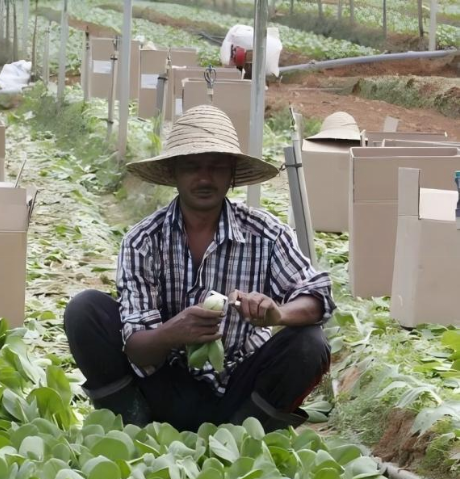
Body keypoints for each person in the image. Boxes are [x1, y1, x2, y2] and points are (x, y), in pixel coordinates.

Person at [64, 105, 335, 433]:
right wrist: (171, 332)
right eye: (192, 167)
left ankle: (243, 438)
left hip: (240, 391)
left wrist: (278, 313)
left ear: (232, 174)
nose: (204, 178)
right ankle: (134, 423)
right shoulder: (143, 240)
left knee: (310, 344)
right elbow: (136, 348)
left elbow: (318, 294)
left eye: (216, 167)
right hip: (162, 389)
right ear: (174, 173)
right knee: (85, 310)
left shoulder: (266, 234)